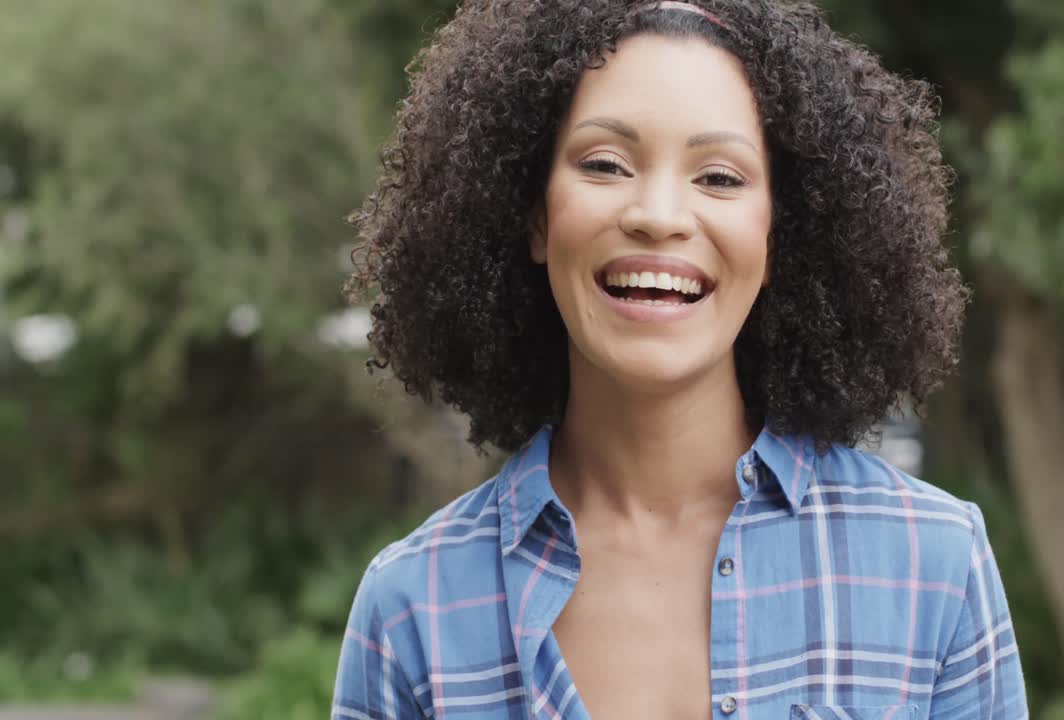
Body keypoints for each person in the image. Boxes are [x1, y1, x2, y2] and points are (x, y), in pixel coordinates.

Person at [332, 1, 1028, 718]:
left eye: (720, 177)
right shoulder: (412, 608)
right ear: (534, 215)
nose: (659, 215)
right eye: (605, 164)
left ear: (777, 237)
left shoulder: (932, 564)